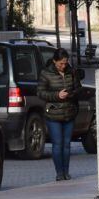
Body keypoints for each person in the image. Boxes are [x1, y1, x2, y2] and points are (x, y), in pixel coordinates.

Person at [37, 48, 81, 181]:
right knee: (58, 144)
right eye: (61, 63)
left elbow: (78, 88)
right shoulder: (46, 73)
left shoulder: (71, 71)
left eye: (65, 63)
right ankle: (59, 173)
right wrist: (57, 95)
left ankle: (66, 172)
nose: (63, 66)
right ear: (54, 61)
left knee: (67, 144)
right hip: (53, 114)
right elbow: (40, 92)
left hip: (69, 112)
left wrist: (71, 94)